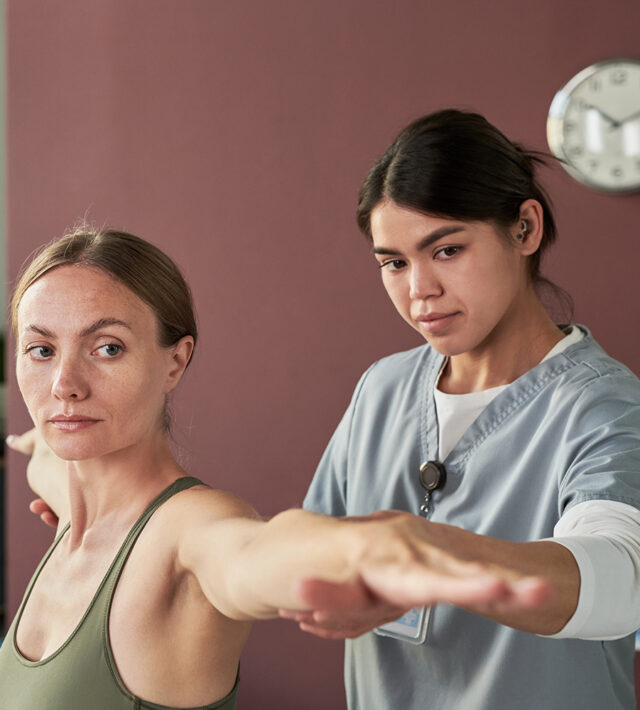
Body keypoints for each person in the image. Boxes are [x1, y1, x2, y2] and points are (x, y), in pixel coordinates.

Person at [0, 227, 544, 710]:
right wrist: (32, 449)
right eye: (41, 350)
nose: (64, 385)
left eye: (107, 348)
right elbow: (44, 456)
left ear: (175, 360)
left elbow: (252, 554)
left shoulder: (188, 532)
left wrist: (366, 553)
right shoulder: (65, 489)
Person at [290, 109, 640, 709]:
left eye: (447, 250)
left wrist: (435, 556)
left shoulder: (605, 406)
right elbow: (309, 550)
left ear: (525, 229)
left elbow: (620, 579)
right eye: (394, 263)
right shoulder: (382, 388)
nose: (419, 290)